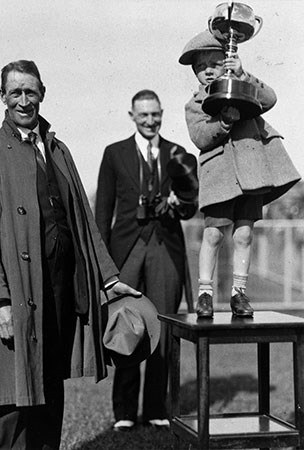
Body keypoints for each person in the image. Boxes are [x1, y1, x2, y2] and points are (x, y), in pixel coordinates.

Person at [0, 60, 140, 450]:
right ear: (2, 97)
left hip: (59, 291)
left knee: (49, 387)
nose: (24, 101)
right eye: (15, 92)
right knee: (10, 397)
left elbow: (84, 222)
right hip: (17, 295)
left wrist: (109, 278)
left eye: (31, 91)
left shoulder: (59, 151)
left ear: (42, 93)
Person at [179, 31, 300, 318]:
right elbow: (200, 137)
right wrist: (223, 122)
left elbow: (269, 98)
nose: (208, 70)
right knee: (212, 235)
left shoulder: (243, 86)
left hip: (251, 174)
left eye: (215, 63)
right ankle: (205, 294)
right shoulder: (195, 104)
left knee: (244, 234)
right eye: (201, 66)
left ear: (227, 61)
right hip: (219, 177)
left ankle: (239, 293)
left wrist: (243, 74)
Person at [95, 89, 197, 431]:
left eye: (155, 115)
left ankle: (156, 407)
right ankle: (124, 412)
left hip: (165, 248)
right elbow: (103, 211)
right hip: (126, 250)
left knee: (163, 328)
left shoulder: (177, 153)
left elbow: (190, 206)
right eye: (143, 115)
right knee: (124, 324)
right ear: (132, 116)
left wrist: (179, 202)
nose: (150, 121)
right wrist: (103, 264)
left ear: (162, 114)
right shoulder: (114, 153)